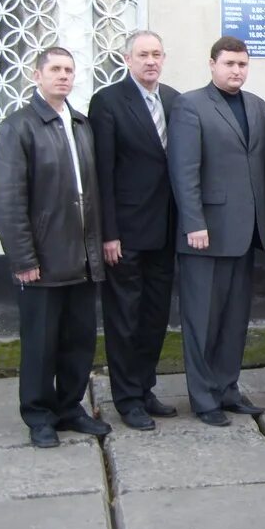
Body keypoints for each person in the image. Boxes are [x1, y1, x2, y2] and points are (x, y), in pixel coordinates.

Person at [0, 47, 111, 447]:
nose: (63, 76)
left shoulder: (80, 124)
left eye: (69, 70)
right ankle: (39, 415)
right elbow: (7, 198)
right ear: (36, 76)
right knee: (41, 343)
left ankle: (69, 407)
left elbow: (91, 191)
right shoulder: (18, 126)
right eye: (55, 69)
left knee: (79, 340)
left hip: (82, 257)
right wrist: (23, 257)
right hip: (43, 258)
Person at [168, 36, 265, 426]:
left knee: (233, 319)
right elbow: (184, 169)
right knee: (202, 319)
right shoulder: (190, 105)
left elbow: (262, 168)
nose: (236, 71)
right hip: (205, 234)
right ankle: (203, 397)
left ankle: (228, 388)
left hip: (245, 234)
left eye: (242, 64)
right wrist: (194, 222)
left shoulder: (256, 106)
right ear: (212, 64)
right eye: (229, 63)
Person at [89, 30, 179, 431]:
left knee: (155, 315)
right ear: (127, 59)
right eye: (143, 54)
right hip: (124, 233)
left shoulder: (175, 101)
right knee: (124, 317)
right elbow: (102, 174)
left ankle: (145, 387)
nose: (150, 61)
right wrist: (108, 233)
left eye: (157, 54)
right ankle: (126, 398)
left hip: (166, 230)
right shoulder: (108, 102)